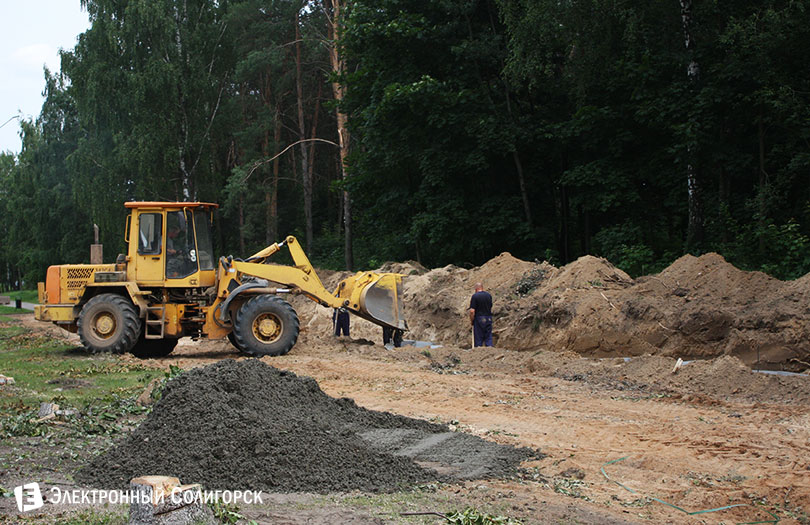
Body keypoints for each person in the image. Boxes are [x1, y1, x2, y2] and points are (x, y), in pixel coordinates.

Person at [468, 282, 493, 347]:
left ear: (476, 289)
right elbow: (490, 306)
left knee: (478, 338)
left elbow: (472, 311)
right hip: (489, 318)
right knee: (488, 336)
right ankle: (490, 349)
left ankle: (478, 352)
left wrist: (472, 320)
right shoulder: (488, 295)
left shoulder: (475, 296)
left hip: (479, 318)